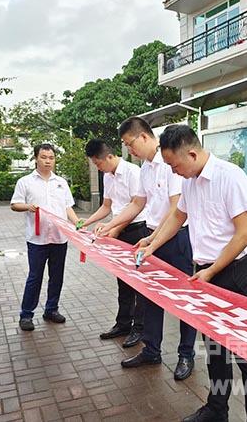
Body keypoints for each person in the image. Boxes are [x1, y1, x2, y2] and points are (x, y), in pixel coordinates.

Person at [137, 124, 247, 422]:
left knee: (245, 351)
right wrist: (152, 242)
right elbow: (178, 217)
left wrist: (211, 272)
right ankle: (216, 409)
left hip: (233, 272)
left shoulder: (230, 177)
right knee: (214, 346)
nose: (173, 172)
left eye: (175, 165)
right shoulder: (190, 181)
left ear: (192, 153)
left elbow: (244, 234)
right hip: (205, 272)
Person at [98, 117, 197, 381]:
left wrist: (155, 238)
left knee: (183, 300)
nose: (129, 150)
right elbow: (137, 204)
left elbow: (178, 209)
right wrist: (112, 225)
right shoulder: (144, 168)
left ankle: (186, 354)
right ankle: (151, 349)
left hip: (175, 239)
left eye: (130, 144)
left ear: (143, 137)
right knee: (149, 297)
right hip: (151, 238)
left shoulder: (170, 162)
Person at [81, 139, 149, 348]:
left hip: (137, 230)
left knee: (139, 284)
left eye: (98, 164)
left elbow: (135, 207)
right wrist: (86, 221)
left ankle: (139, 329)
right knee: (123, 281)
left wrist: (113, 227)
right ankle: (123, 324)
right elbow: (106, 206)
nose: (98, 168)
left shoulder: (133, 173)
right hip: (118, 230)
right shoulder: (108, 176)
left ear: (109, 156)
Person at [11, 143, 81, 332]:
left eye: (51, 158)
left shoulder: (61, 182)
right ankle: (26, 315)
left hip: (59, 238)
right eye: (44, 157)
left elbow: (68, 208)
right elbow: (14, 204)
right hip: (37, 239)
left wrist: (77, 223)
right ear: (36, 158)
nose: (48, 161)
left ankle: (51, 309)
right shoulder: (25, 182)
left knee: (56, 276)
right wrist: (28, 207)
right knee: (35, 277)